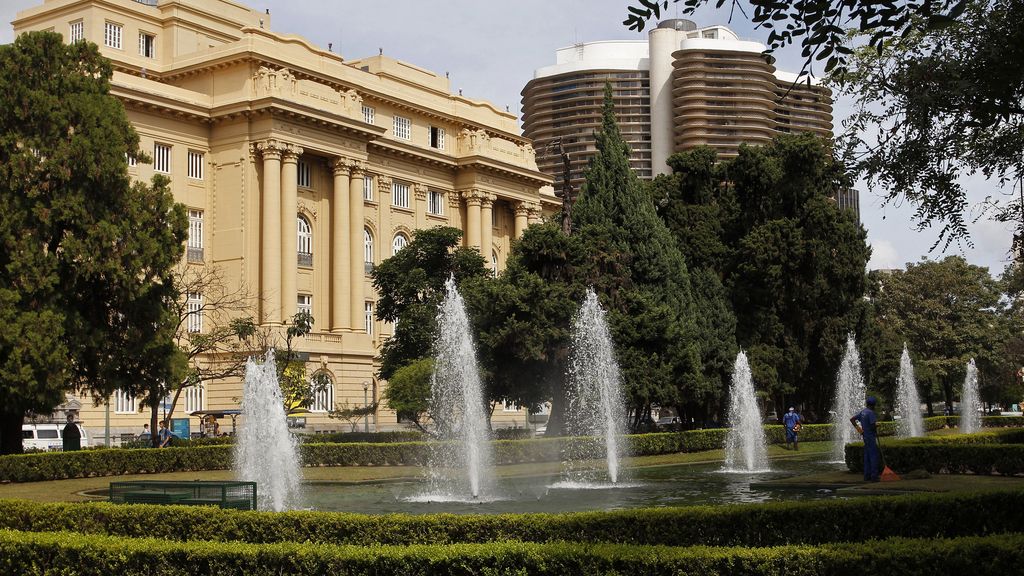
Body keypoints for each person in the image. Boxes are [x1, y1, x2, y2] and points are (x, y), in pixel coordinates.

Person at [850, 396, 881, 482]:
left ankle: (866, 476)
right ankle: (874, 476)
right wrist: (877, 424)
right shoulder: (870, 413)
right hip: (870, 436)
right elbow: (872, 425)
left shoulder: (863, 412)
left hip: (865, 436)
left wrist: (860, 430)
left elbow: (852, 419)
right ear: (873, 405)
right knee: (873, 456)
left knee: (867, 456)